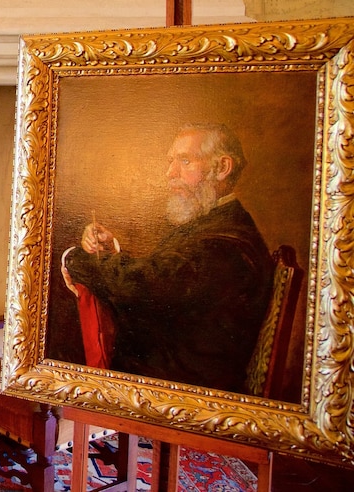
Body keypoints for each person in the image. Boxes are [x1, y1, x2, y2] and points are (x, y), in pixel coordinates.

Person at [61, 123, 273, 393]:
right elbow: (163, 279)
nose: (170, 174)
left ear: (222, 168)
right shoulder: (213, 225)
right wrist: (112, 252)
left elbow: (145, 286)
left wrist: (74, 258)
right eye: (171, 162)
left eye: (185, 161)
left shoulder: (224, 243)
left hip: (186, 387)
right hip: (177, 371)